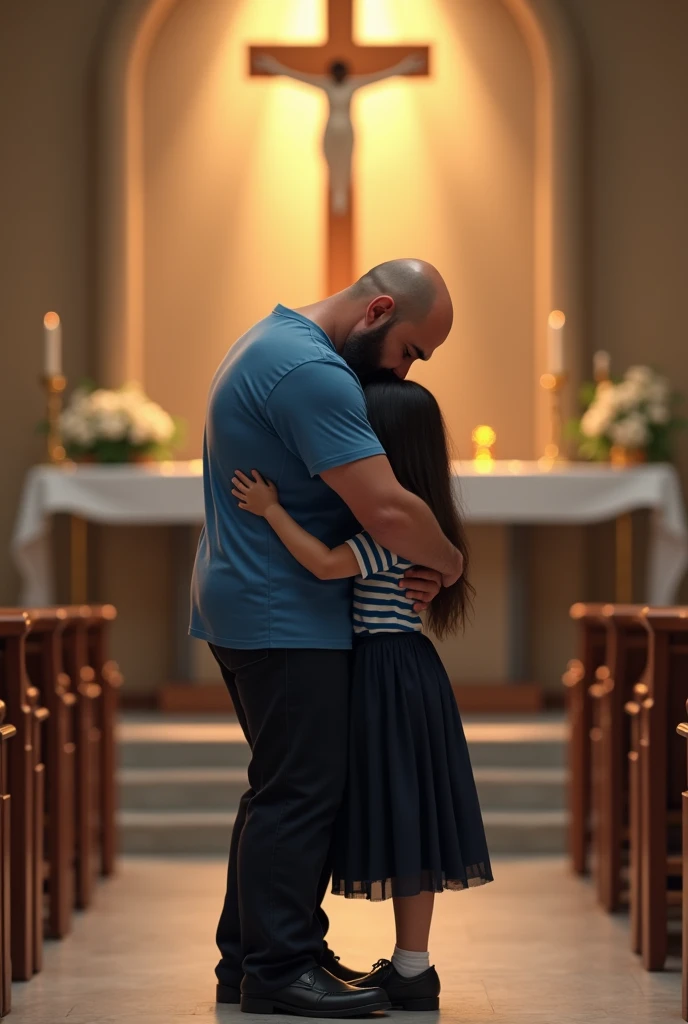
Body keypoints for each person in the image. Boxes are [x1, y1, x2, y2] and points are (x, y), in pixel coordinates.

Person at [189, 259, 463, 1017]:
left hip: (251, 596)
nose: (405, 371)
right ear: (378, 310)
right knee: (303, 790)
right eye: (411, 350)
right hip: (282, 610)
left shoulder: (270, 341)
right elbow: (391, 512)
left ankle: (255, 955)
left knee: (279, 787)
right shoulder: (312, 371)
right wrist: (449, 559)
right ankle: (279, 968)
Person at [232, 375, 493, 1012]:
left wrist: (271, 510)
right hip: (399, 667)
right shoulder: (423, 520)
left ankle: (412, 967)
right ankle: (409, 966)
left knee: (404, 811)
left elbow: (323, 565)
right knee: (405, 809)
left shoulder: (395, 524)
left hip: (385, 671)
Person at [253, 53, 426, 215]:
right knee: (330, 161)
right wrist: (273, 67)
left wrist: (405, 67)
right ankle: (336, 193)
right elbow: (299, 78)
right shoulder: (326, 84)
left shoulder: (353, 84)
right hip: (330, 130)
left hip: (346, 130)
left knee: (346, 162)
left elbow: (379, 78)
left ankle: (341, 194)